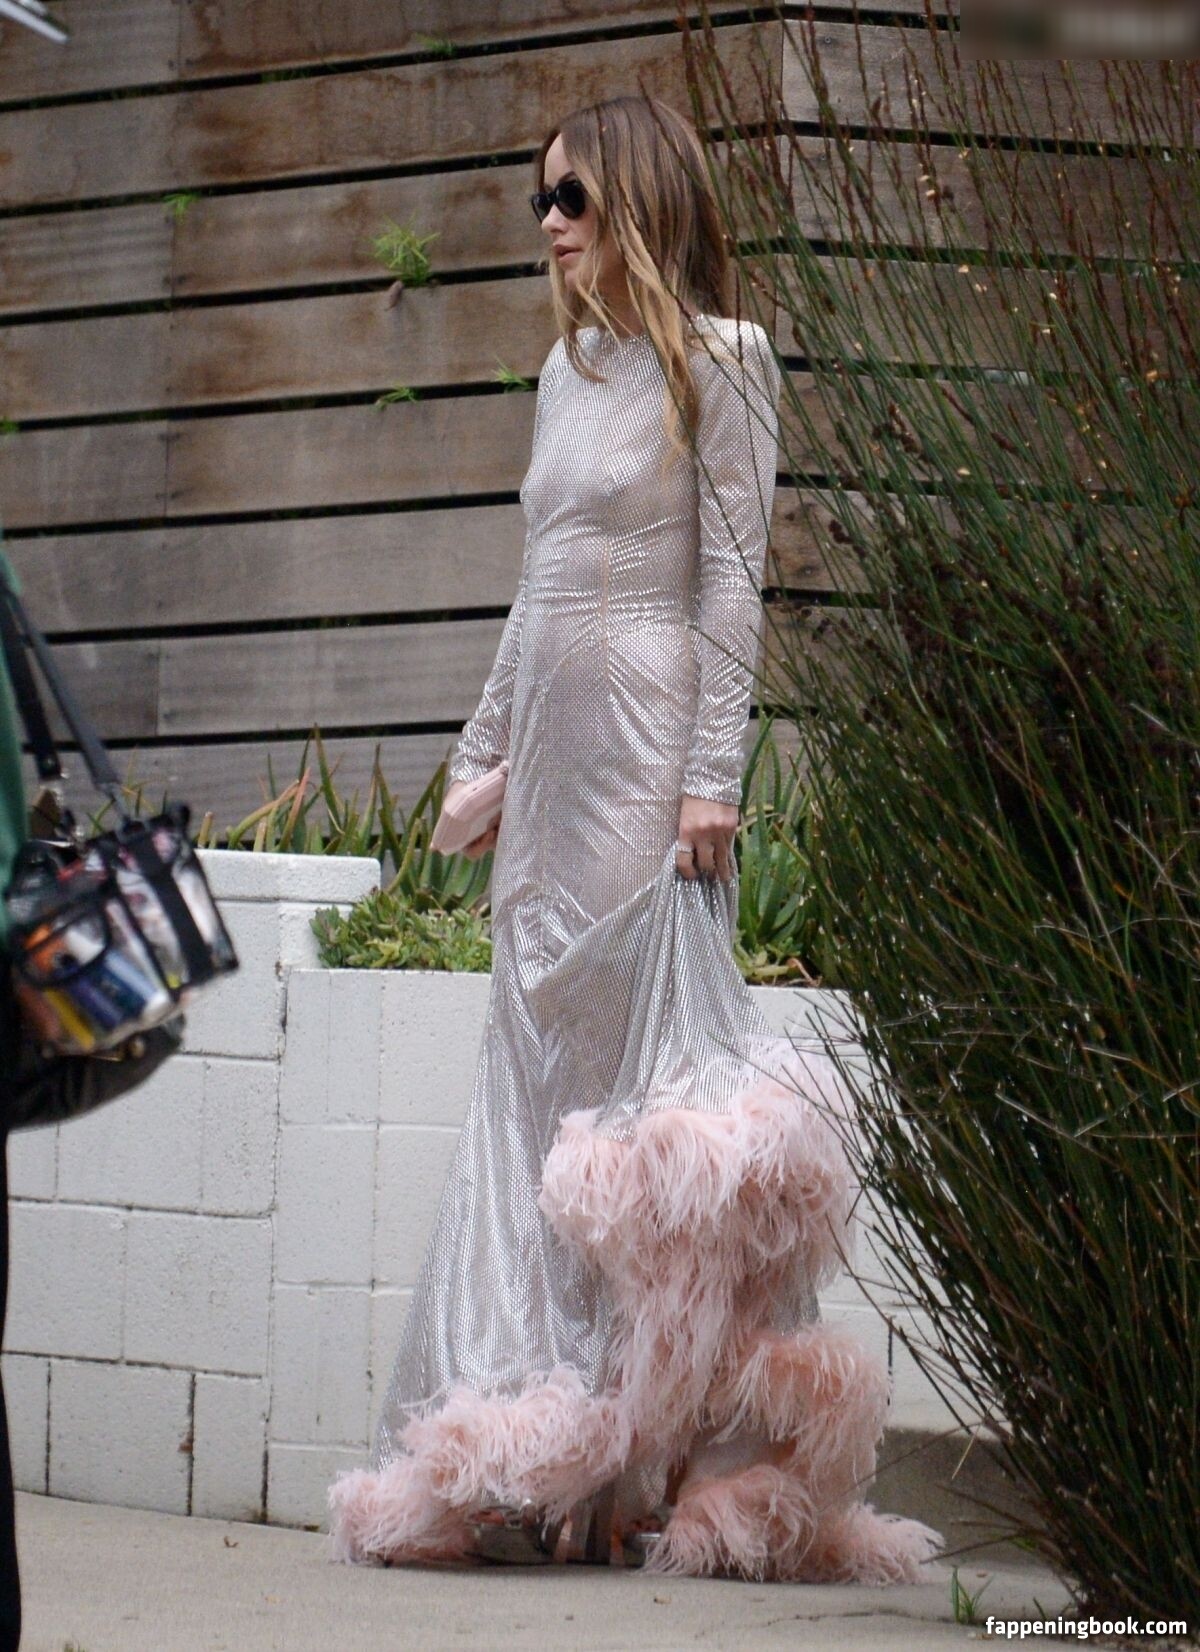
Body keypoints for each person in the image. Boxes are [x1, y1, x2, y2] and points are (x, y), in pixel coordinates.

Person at [328, 96, 944, 1582]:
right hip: (552, 771)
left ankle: (646, 1464)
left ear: (642, 202)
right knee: (533, 1089)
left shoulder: (723, 360)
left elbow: (733, 583)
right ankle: (537, 1436)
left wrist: (711, 781)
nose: (550, 224)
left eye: (576, 198)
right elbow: (533, 589)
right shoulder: (566, 369)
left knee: (639, 1108)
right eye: (540, 199)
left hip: (650, 753)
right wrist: (477, 762)